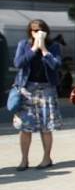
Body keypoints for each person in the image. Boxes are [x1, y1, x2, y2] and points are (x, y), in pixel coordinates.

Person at [13, 19, 63, 170]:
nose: (37, 33)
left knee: (46, 127)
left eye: (40, 30)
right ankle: (24, 160)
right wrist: (34, 48)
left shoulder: (53, 46)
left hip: (47, 89)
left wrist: (44, 50)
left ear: (46, 31)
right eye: (34, 30)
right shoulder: (24, 44)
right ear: (30, 32)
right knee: (25, 126)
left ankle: (47, 158)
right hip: (27, 89)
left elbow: (56, 65)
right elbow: (18, 63)